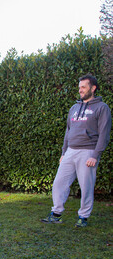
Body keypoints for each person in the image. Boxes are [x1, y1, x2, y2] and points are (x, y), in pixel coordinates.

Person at [41, 74, 111, 227]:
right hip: (70, 152)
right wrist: (63, 152)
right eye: (79, 87)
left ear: (93, 88)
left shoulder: (101, 108)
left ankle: (83, 216)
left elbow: (104, 134)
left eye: (83, 87)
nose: (80, 90)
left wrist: (95, 155)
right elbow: (68, 131)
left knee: (86, 186)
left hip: (88, 152)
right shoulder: (74, 108)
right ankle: (57, 213)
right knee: (59, 183)